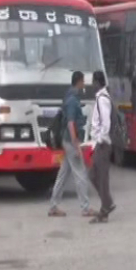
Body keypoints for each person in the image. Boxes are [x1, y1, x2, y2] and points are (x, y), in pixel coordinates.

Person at [48, 71, 94, 218]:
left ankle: (53, 206)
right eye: (83, 81)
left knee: (63, 174)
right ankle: (85, 208)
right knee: (80, 174)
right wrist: (76, 144)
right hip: (70, 141)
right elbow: (71, 123)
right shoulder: (73, 100)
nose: (84, 84)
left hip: (66, 140)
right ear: (79, 82)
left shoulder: (68, 96)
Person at [88, 71, 115, 223]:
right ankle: (107, 203)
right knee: (94, 175)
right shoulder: (102, 97)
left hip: (103, 143)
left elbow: (105, 123)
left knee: (99, 176)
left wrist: (101, 139)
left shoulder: (102, 99)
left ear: (97, 82)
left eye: (93, 82)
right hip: (101, 143)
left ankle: (105, 208)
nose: (92, 85)